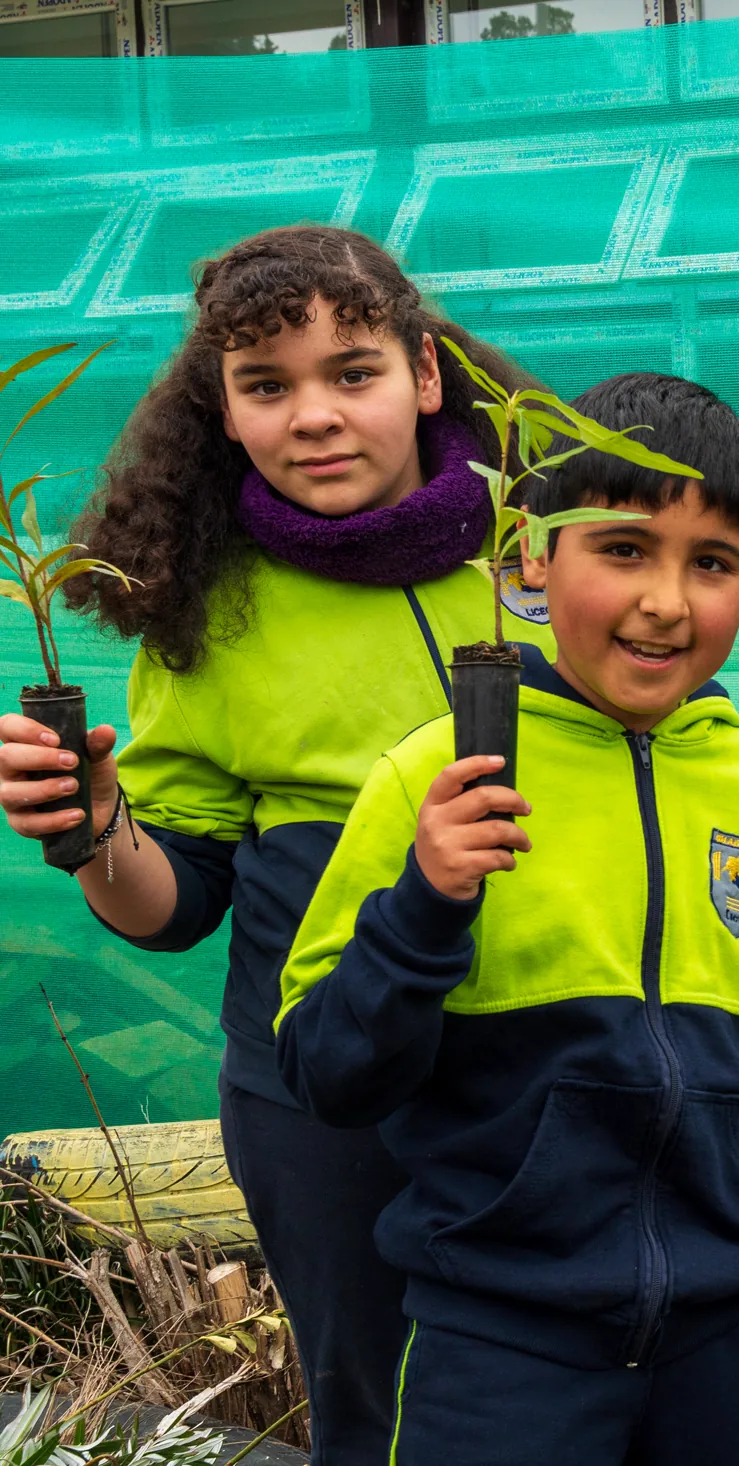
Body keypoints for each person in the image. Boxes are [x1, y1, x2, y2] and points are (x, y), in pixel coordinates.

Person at [0, 226, 550, 1465]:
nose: (313, 414)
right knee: (384, 1412)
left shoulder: (546, 553)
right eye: (266, 384)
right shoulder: (206, 615)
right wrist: (94, 832)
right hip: (330, 1096)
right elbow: (176, 902)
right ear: (226, 412)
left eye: (350, 371)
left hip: (564, 1053)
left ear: (425, 372)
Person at [274, 372, 739, 1465]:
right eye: (626, 549)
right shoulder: (435, 777)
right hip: (500, 1324)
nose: (666, 601)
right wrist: (425, 904)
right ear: (531, 562)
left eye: (714, 562)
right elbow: (326, 1069)